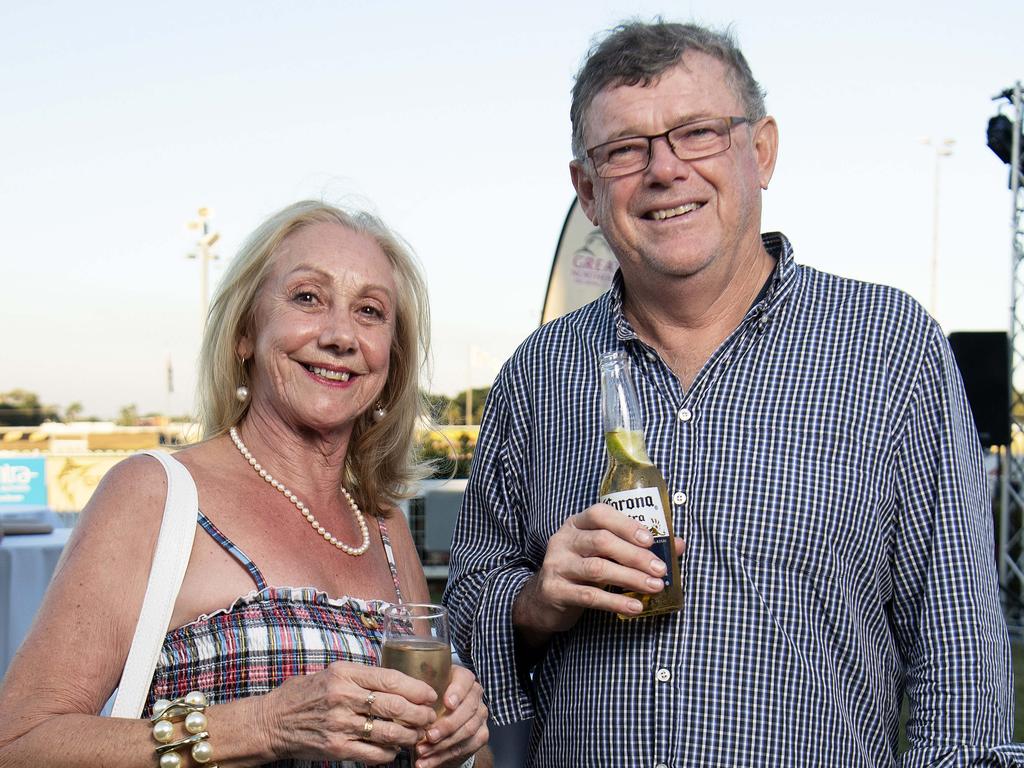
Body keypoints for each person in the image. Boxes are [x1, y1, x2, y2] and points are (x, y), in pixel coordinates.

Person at [444, 21, 1022, 767]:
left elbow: (960, 659)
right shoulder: (537, 375)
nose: (665, 170)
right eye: (625, 150)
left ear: (762, 151)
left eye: (698, 133)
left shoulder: (888, 348)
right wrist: (535, 603)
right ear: (588, 191)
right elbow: (463, 610)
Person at [0, 201, 490, 768]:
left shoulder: (383, 526)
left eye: (370, 312)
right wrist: (263, 726)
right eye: (307, 297)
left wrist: (459, 738)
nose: (340, 335)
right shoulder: (156, 494)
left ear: (391, 359)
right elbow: (19, 743)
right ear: (244, 333)